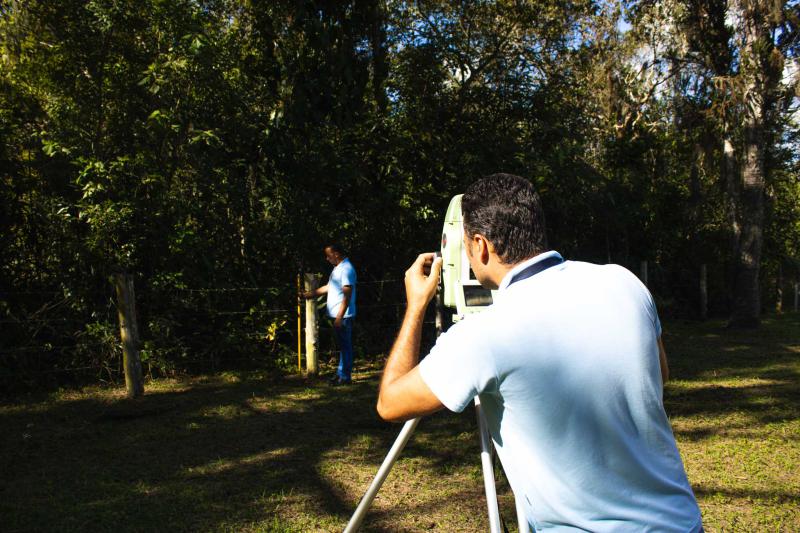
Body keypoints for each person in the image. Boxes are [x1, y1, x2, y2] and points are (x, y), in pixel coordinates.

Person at [377, 174, 703, 532]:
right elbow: (659, 374)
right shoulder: (624, 282)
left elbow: (390, 402)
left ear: (480, 246)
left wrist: (416, 306)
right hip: (679, 521)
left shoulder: (484, 334)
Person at [304, 244, 357, 385]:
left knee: (346, 347)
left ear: (337, 254)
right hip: (337, 315)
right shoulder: (338, 268)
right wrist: (309, 294)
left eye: (329, 255)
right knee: (342, 346)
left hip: (343, 316)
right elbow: (330, 286)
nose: (327, 259)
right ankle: (340, 374)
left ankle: (345, 377)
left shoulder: (346, 269)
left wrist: (340, 317)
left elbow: (347, 295)